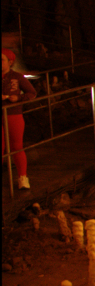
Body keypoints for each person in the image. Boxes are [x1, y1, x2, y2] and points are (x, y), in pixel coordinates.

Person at [1, 49, 37, 190]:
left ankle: (22, 177)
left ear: (10, 62)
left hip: (13, 114)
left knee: (16, 146)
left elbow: (32, 93)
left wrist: (19, 98)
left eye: (2, 60)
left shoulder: (17, 76)